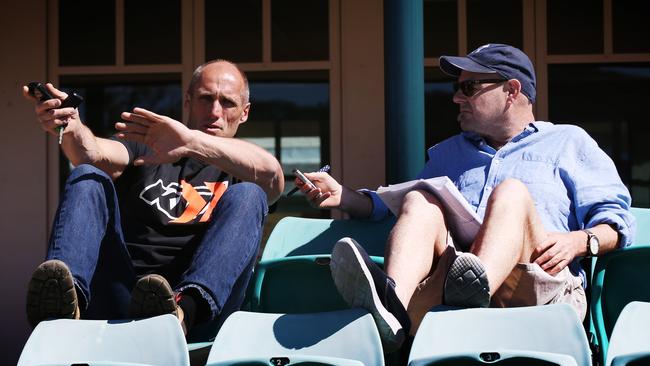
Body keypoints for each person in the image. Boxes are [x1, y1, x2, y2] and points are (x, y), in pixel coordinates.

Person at [295, 44, 636, 352]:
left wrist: (579, 241)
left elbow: (617, 223)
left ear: (511, 90)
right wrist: (344, 197)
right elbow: (390, 206)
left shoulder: (568, 141)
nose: (457, 98)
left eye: (468, 87)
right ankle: (391, 311)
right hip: (449, 281)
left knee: (512, 193)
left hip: (536, 287)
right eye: (456, 88)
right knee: (418, 199)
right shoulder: (448, 154)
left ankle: (473, 291)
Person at [23, 60, 284, 334]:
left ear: (244, 113)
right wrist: (72, 127)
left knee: (250, 194)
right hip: (123, 297)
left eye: (227, 102)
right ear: (188, 102)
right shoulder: (149, 147)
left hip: (202, 313)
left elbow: (271, 175)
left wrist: (192, 142)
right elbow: (93, 154)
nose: (215, 111)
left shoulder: (245, 168)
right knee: (88, 176)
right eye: (205, 99)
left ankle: (186, 310)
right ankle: (65, 302)